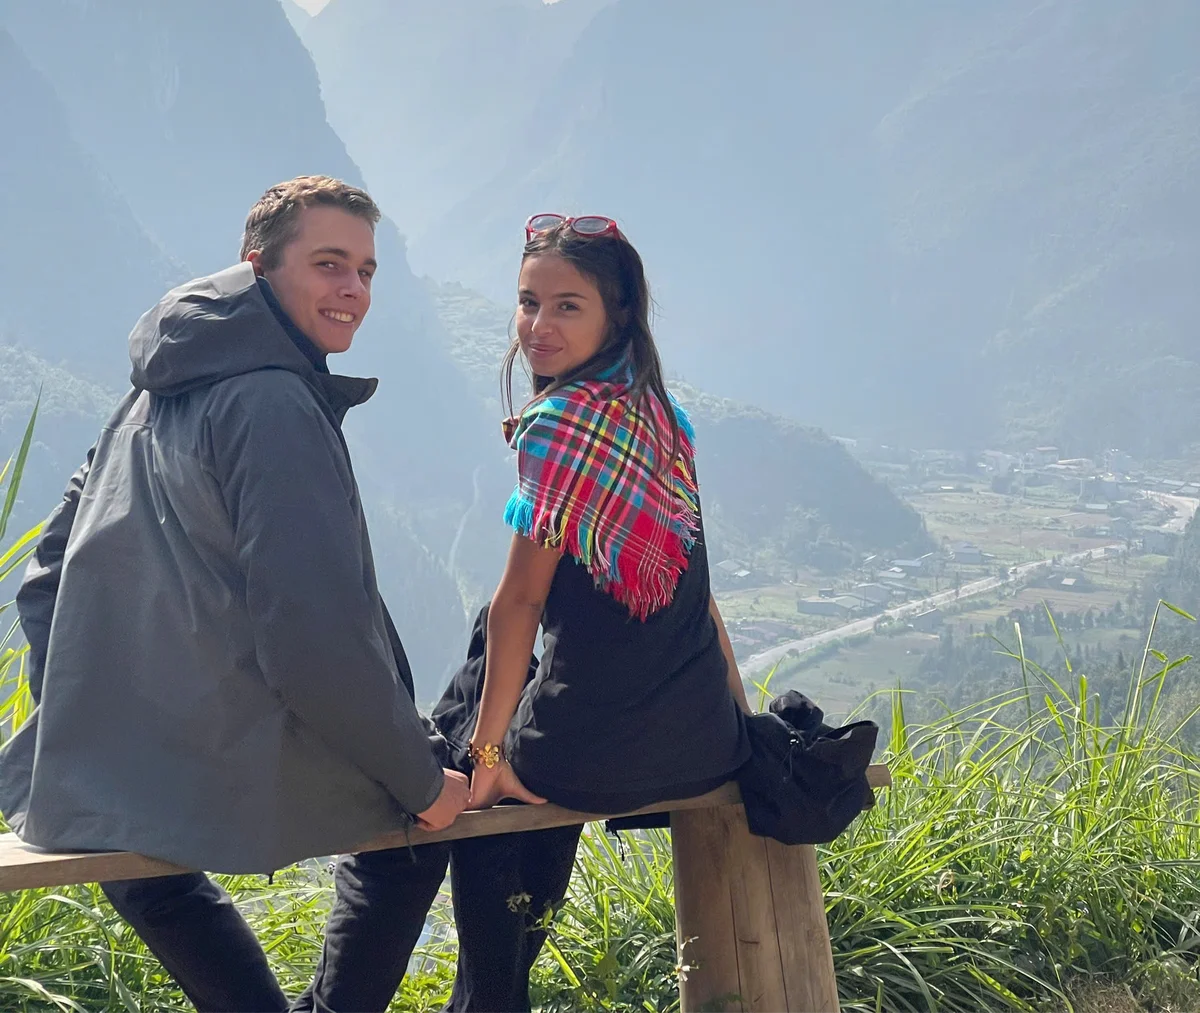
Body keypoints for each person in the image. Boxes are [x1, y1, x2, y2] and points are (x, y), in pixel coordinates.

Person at [0, 175, 470, 1013]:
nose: (353, 290)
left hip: (147, 747)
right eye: (329, 264)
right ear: (259, 267)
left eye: (365, 269)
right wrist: (426, 782)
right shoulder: (274, 401)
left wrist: (85, 718)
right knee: (413, 828)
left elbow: (48, 573)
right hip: (245, 737)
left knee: (134, 863)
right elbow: (312, 641)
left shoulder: (153, 388)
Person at [291, 213, 752, 1013]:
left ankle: (473, 998)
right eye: (527, 302)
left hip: (602, 752)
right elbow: (691, 586)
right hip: (699, 739)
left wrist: (495, 755)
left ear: (618, 315)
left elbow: (522, 604)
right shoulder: (658, 417)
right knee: (481, 680)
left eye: (567, 306)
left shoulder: (565, 424)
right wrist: (734, 719)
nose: (538, 326)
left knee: (475, 780)